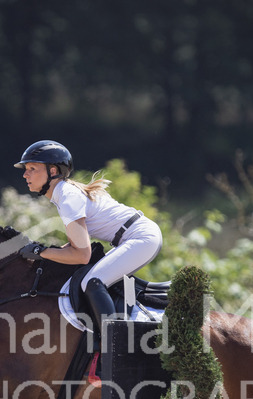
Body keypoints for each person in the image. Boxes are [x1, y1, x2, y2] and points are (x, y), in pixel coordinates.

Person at [14, 140, 162, 340]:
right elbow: (75, 246)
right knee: (94, 280)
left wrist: (41, 252)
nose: (25, 174)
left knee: (93, 282)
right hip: (136, 236)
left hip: (142, 237)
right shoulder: (63, 194)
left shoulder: (67, 196)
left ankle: (115, 348)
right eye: (26, 169)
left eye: (32, 168)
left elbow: (82, 255)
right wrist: (42, 252)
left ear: (53, 171)